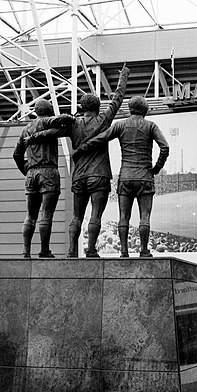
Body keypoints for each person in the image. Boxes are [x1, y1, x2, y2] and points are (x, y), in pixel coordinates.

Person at [26, 63, 130, 257]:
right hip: (99, 174)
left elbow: (52, 132)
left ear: (82, 107)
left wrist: (32, 137)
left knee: (77, 216)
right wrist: (124, 75)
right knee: (95, 215)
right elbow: (117, 98)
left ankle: (72, 251)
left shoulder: (73, 124)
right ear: (98, 107)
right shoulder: (103, 120)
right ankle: (90, 249)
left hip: (79, 176)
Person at [72, 95, 169, 258]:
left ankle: (124, 251)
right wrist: (156, 168)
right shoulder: (151, 126)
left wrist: (81, 149)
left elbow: (100, 139)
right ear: (145, 109)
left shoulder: (120, 125)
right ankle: (144, 250)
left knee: (124, 217)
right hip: (145, 176)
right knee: (144, 217)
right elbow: (165, 147)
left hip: (125, 177)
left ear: (130, 108)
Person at [13, 100, 67, 258]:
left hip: (31, 173)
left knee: (30, 215)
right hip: (48, 172)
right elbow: (62, 120)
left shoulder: (26, 129)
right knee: (46, 214)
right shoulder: (48, 123)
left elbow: (16, 154)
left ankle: (26, 252)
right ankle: (44, 250)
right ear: (49, 110)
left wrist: (26, 169)